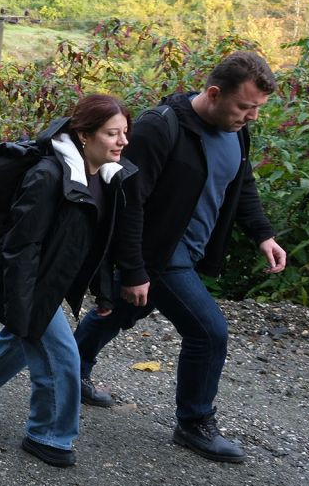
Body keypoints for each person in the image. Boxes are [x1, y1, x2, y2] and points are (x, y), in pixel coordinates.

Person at [73, 52, 287, 463]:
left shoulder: (237, 131)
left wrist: (263, 234)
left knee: (121, 309)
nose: (251, 116)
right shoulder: (161, 127)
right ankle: (194, 423)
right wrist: (134, 268)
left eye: (258, 108)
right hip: (162, 255)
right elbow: (129, 201)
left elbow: (241, 185)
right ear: (213, 93)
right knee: (208, 333)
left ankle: (69, 368)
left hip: (188, 251)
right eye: (245, 106)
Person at [0, 94, 135, 467]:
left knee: (24, 340)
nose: (123, 141)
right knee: (61, 354)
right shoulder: (48, 176)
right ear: (84, 135)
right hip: (24, 280)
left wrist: (104, 291)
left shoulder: (104, 177)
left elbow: (94, 242)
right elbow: (22, 247)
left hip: (48, 279)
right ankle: (49, 436)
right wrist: (22, 308)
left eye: (124, 133)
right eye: (113, 133)